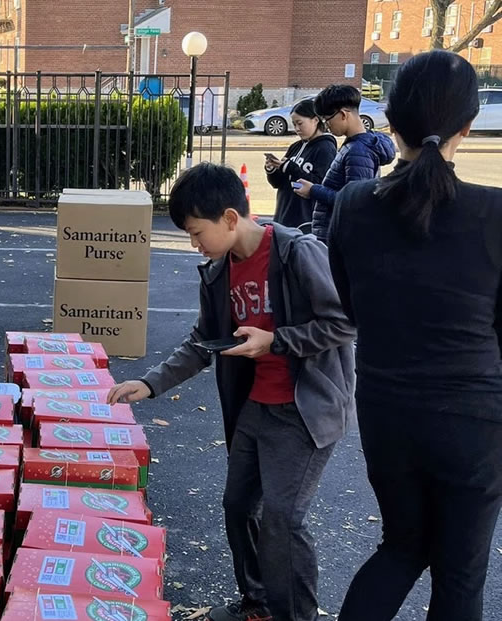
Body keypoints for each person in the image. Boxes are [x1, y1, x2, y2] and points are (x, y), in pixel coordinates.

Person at [107, 163, 356, 621]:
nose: (194, 244)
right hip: (254, 406)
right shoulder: (218, 271)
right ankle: (257, 603)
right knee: (238, 506)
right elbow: (204, 341)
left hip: (304, 409)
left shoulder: (297, 252)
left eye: (196, 232)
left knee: (283, 519)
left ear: (228, 218)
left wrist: (276, 341)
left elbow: (344, 322)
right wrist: (150, 383)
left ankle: (296, 614)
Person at [330, 51, 502, 621]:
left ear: (390, 122)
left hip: (387, 409)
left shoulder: (354, 205)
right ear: (467, 127)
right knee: (460, 573)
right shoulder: (494, 213)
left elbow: (351, 307)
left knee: (402, 546)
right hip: (474, 417)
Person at [293, 84, 396, 242]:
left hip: (340, 236)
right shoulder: (357, 145)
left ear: (343, 114)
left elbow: (355, 202)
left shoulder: (358, 151)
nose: (326, 125)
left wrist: (313, 190)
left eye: (327, 119)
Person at [264, 99, 336, 229]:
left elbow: (321, 185)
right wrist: (272, 170)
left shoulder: (325, 149)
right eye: (294, 124)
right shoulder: (295, 146)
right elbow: (278, 183)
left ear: (315, 120)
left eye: (300, 123)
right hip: (283, 214)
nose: (297, 128)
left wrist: (290, 167)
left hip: (305, 220)